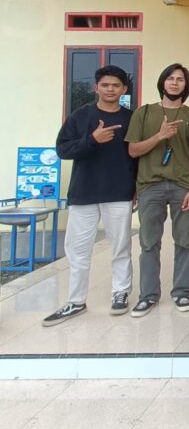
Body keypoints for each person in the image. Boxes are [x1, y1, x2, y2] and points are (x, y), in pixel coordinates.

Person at [43, 66, 137, 325]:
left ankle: (120, 292)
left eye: (116, 85)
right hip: (83, 192)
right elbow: (62, 150)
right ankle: (75, 301)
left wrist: (136, 187)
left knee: (121, 246)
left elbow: (137, 155)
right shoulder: (80, 116)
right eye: (105, 85)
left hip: (119, 192)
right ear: (96, 87)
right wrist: (92, 139)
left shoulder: (131, 118)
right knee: (77, 250)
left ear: (124, 89)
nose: (110, 89)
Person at [125, 63, 189, 316]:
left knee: (184, 242)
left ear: (186, 85)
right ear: (162, 82)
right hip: (150, 186)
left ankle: (181, 292)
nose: (174, 83)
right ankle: (148, 295)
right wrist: (159, 136)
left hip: (183, 186)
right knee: (149, 243)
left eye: (180, 79)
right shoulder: (144, 113)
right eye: (170, 78)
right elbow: (133, 150)